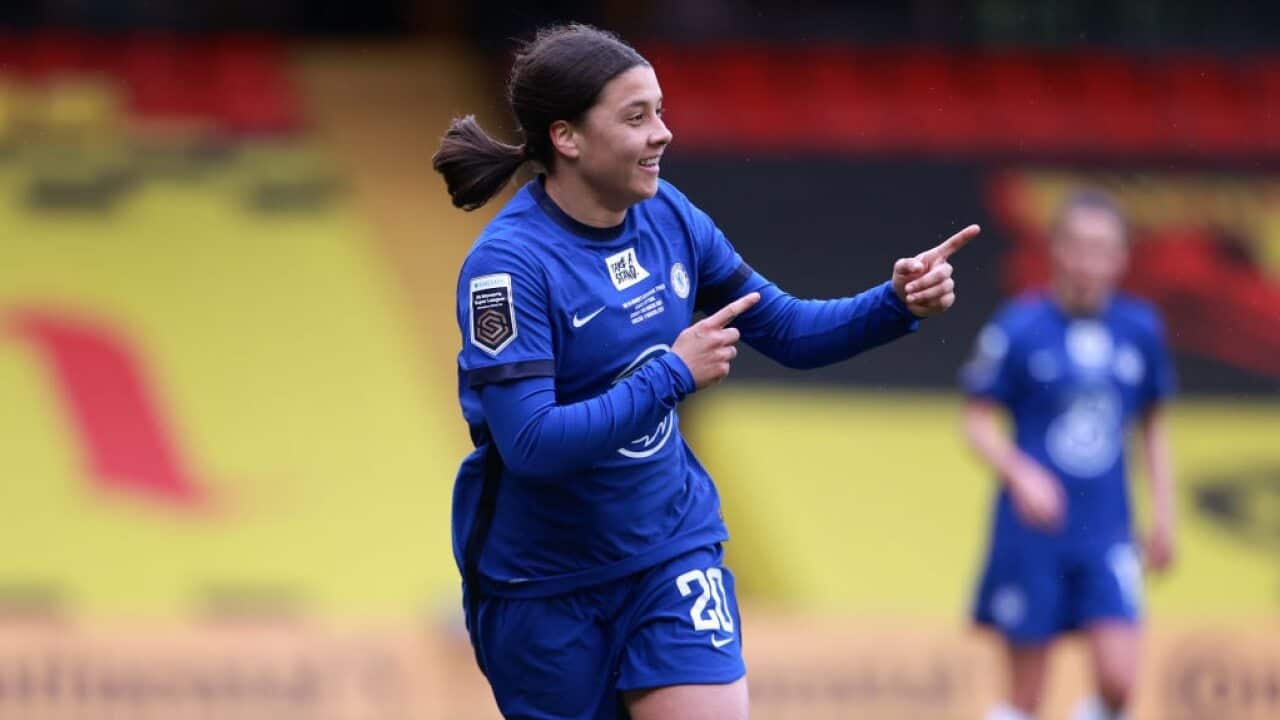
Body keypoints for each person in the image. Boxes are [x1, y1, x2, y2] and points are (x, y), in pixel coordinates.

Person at [434, 23, 979, 720]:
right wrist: (670, 374)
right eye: (637, 117)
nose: (662, 133)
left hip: (669, 551)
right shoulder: (506, 269)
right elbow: (531, 445)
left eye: (660, 110)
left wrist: (893, 302)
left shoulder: (670, 216)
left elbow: (783, 328)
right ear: (567, 138)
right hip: (542, 586)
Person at [961, 190, 1177, 720]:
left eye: (1102, 247)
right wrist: (1022, 474)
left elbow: (1152, 428)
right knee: (1028, 696)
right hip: (1033, 532)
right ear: (1055, 250)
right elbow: (976, 421)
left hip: (1107, 531)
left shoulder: (1140, 329)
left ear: (1122, 257)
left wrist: (1165, 517)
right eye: (1078, 245)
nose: (1088, 261)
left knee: (1120, 683)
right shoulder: (1020, 325)